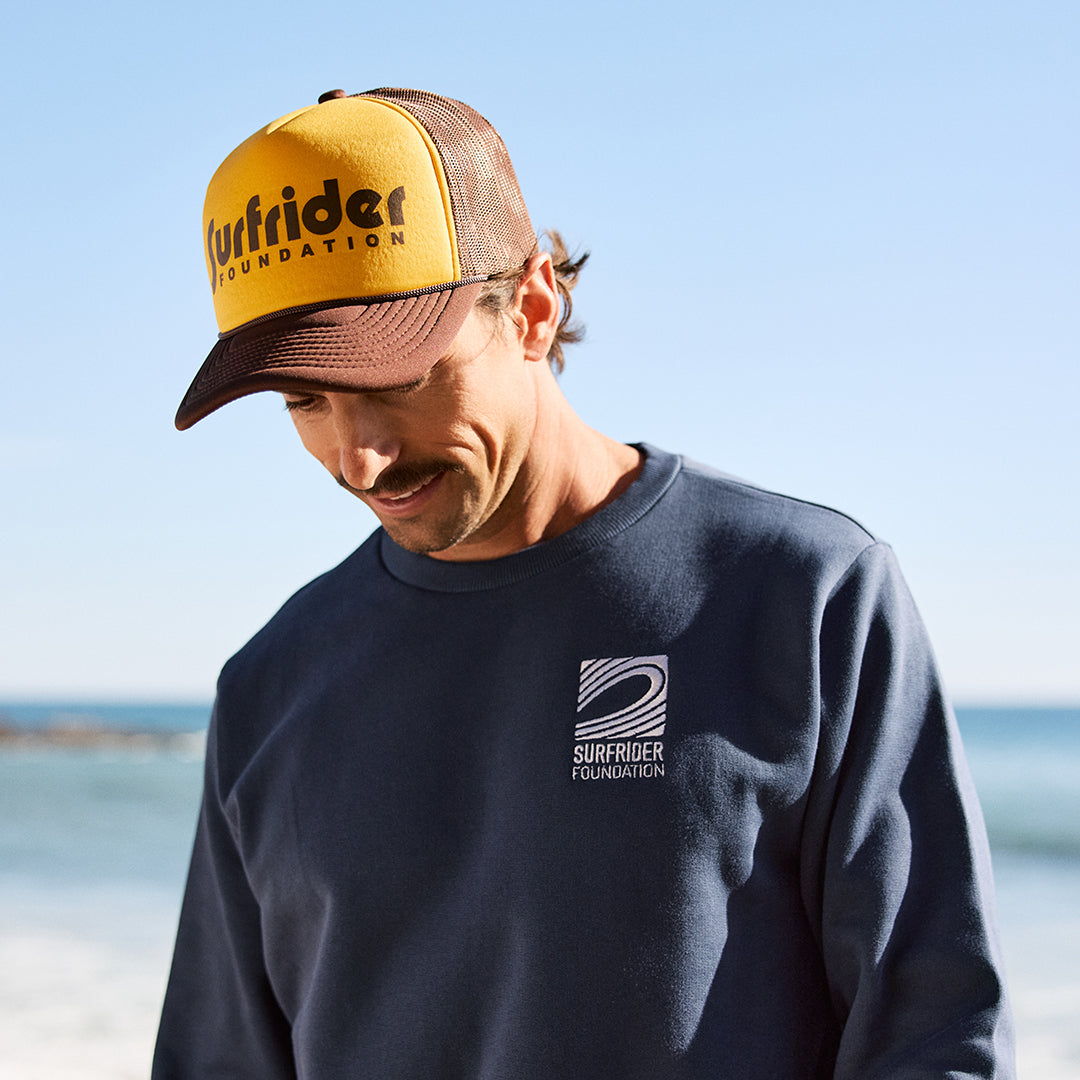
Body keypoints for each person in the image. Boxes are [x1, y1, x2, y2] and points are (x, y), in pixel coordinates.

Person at [153, 87, 1014, 1079]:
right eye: (305, 401)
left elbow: (936, 1033)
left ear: (531, 305)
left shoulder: (799, 595)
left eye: (398, 381)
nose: (362, 457)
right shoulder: (271, 685)